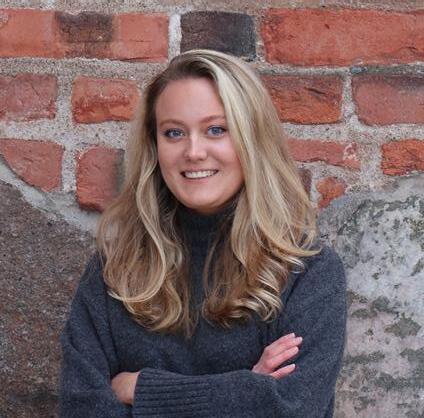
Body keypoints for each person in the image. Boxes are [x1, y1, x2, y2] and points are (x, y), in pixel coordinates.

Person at [59, 49, 347, 417]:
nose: (194, 152)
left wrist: (140, 388)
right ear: (155, 146)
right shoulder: (114, 269)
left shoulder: (307, 273)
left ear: (252, 138)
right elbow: (81, 408)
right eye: (174, 133)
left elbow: (291, 408)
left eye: (216, 130)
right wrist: (246, 388)